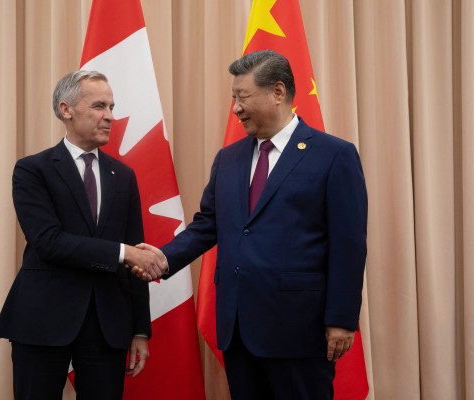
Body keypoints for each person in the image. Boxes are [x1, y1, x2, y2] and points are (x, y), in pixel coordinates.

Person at [134, 50, 368, 399]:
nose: (235, 109)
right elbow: (207, 224)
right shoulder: (228, 159)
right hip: (238, 328)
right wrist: (164, 259)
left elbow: (348, 244)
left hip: (299, 329)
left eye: (242, 97)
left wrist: (342, 319)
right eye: (233, 98)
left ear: (277, 92)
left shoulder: (333, 155)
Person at [0, 70, 163, 400]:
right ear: (66, 109)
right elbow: (48, 241)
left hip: (107, 323)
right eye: (100, 106)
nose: (111, 117)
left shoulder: (123, 176)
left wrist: (141, 329)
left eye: (112, 107)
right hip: (43, 318)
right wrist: (123, 253)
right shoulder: (33, 170)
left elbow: (137, 254)